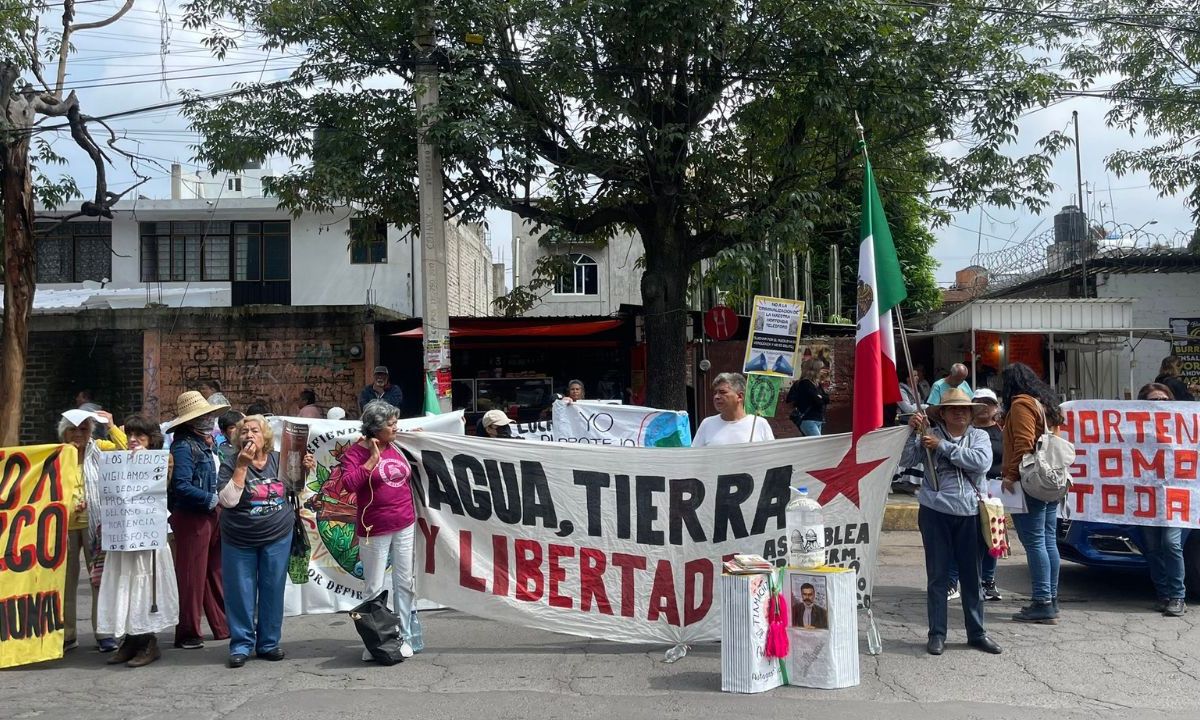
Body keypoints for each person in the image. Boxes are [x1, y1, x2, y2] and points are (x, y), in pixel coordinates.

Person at [901, 388, 1001, 656]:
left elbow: (980, 463)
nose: (959, 412)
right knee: (938, 576)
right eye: (953, 408)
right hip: (935, 512)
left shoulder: (979, 436)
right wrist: (914, 434)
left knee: (973, 576)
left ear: (971, 414)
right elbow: (905, 461)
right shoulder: (927, 435)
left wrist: (942, 446)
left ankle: (977, 633)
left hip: (969, 512)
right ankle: (937, 633)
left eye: (964, 409)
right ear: (942, 414)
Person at [218, 415, 314, 668]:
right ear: (237, 438)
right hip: (239, 539)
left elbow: (294, 490)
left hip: (276, 536)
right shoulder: (230, 463)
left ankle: (269, 643)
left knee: (273, 589)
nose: (249, 435)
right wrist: (241, 467)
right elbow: (227, 501)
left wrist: (303, 470)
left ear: (266, 437)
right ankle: (241, 645)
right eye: (245, 431)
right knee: (240, 593)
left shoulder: (279, 460)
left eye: (255, 430)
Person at [96, 416, 180, 668]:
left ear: (150, 440)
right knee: (126, 585)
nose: (133, 441)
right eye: (130, 435)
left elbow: (163, 484)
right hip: (123, 536)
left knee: (145, 586)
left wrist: (143, 460)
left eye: (139, 436)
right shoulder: (118, 461)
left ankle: (147, 640)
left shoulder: (162, 459)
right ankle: (130, 639)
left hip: (148, 535)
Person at [340, 400, 419, 660]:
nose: (396, 427)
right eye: (391, 424)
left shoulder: (396, 445)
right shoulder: (355, 453)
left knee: (405, 583)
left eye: (396, 422)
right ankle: (375, 640)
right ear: (375, 428)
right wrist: (372, 460)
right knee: (374, 586)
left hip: (405, 523)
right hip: (374, 527)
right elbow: (349, 485)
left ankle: (404, 636)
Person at [58, 408, 128, 653]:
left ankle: (103, 632)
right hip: (65, 525)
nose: (78, 434)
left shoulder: (100, 449)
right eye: (73, 429)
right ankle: (68, 634)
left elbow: (127, 449)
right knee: (65, 581)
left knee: (99, 579)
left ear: (90, 431)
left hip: (96, 523)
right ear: (64, 432)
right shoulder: (57, 455)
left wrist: (111, 425)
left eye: (83, 429)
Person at [1000, 362, 1064, 625]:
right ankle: (1051, 597)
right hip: (1050, 481)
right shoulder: (1046, 404)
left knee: (1035, 542)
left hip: (1030, 481)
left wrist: (1010, 477)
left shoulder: (1021, 404)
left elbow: (1024, 444)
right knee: (1048, 540)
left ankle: (1042, 602)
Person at [167, 391, 231, 650]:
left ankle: (221, 625)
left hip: (210, 513)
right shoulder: (184, 445)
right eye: (205, 416)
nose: (210, 419)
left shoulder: (206, 443)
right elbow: (180, 486)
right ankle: (188, 631)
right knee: (192, 575)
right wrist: (211, 499)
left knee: (213, 572)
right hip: (193, 515)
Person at [947, 388, 1004, 602]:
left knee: (991, 539)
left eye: (988, 403)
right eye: (980, 402)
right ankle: (952, 582)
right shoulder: (963, 433)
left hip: (996, 493)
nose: (985, 407)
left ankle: (988, 582)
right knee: (958, 540)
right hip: (968, 492)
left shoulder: (1002, 432)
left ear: (995, 407)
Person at [1137, 382, 1187, 617]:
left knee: (1171, 543)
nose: (1159, 405)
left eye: (1164, 400)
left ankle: (1178, 596)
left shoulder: (1184, 426)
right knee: (1153, 547)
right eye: (1153, 400)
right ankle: (1164, 594)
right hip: (1146, 496)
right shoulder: (1135, 430)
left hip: (1177, 496)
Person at [692, 373, 774, 447]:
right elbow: (694, 457)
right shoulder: (707, 424)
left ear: (739, 396)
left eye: (722, 392)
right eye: (715, 393)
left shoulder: (759, 423)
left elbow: (772, 458)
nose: (716, 397)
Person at [786, 360, 830, 436]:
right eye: (821, 368)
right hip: (808, 419)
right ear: (814, 370)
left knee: (814, 446)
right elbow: (818, 401)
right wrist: (820, 397)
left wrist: (820, 396)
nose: (822, 371)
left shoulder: (816, 384)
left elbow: (827, 399)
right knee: (817, 445)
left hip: (818, 419)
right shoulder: (805, 383)